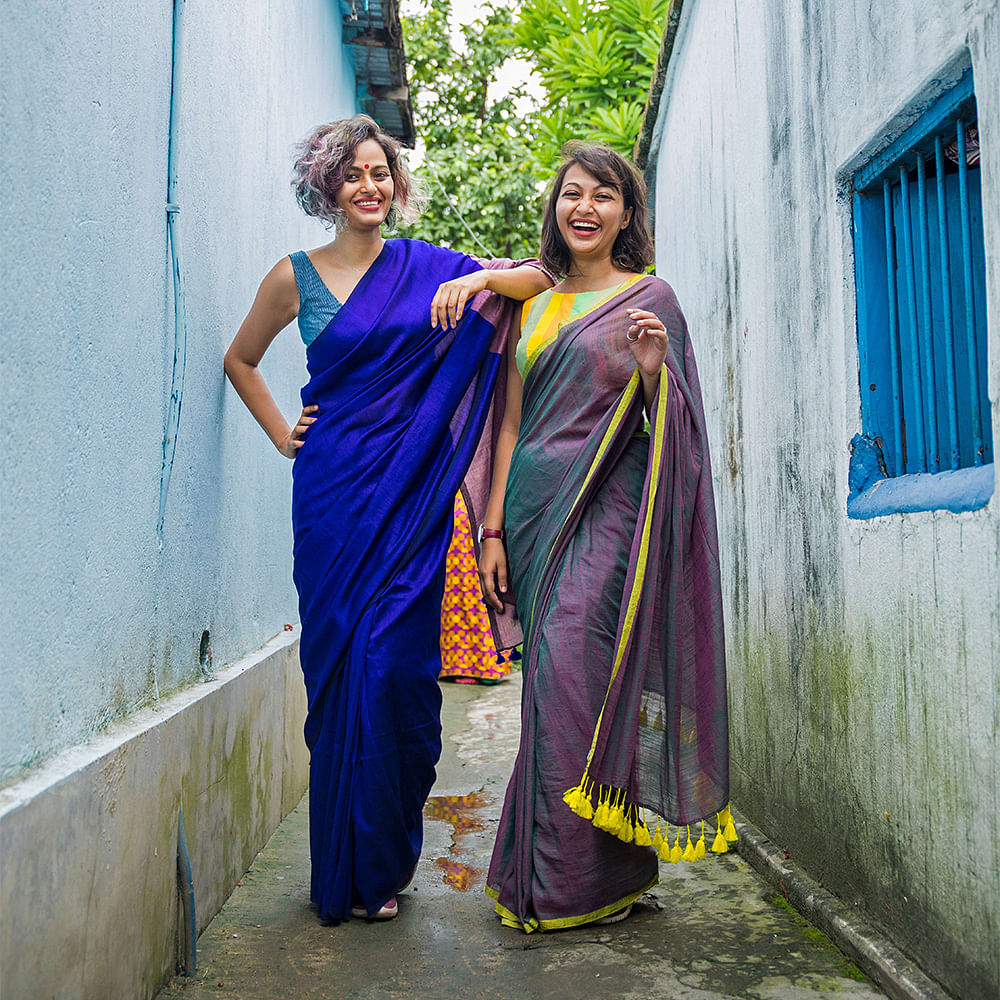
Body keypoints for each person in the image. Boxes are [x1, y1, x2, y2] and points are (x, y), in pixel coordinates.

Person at [223, 115, 550, 923]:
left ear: (395, 187)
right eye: (353, 174)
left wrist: (478, 282)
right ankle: (348, 873)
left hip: (411, 506)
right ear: (326, 185)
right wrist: (281, 433)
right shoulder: (290, 277)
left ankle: (386, 856)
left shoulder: (428, 267)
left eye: (382, 173)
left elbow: (539, 278)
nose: (370, 187)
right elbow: (241, 359)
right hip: (332, 497)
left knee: (397, 674)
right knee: (338, 676)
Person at [471, 144, 732, 933]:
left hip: (607, 511)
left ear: (627, 213)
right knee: (550, 692)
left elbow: (677, 426)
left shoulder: (650, 299)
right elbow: (510, 419)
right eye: (572, 194)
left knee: (576, 679)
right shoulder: (536, 304)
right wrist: (490, 525)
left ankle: (571, 883)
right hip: (529, 514)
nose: (584, 208)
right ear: (556, 207)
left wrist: (654, 369)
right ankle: (583, 873)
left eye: (604, 196)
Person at [439, 491, 517, 684]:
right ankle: (476, 663)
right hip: (469, 504)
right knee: (463, 587)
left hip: (468, 507)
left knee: (469, 585)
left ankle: (475, 663)